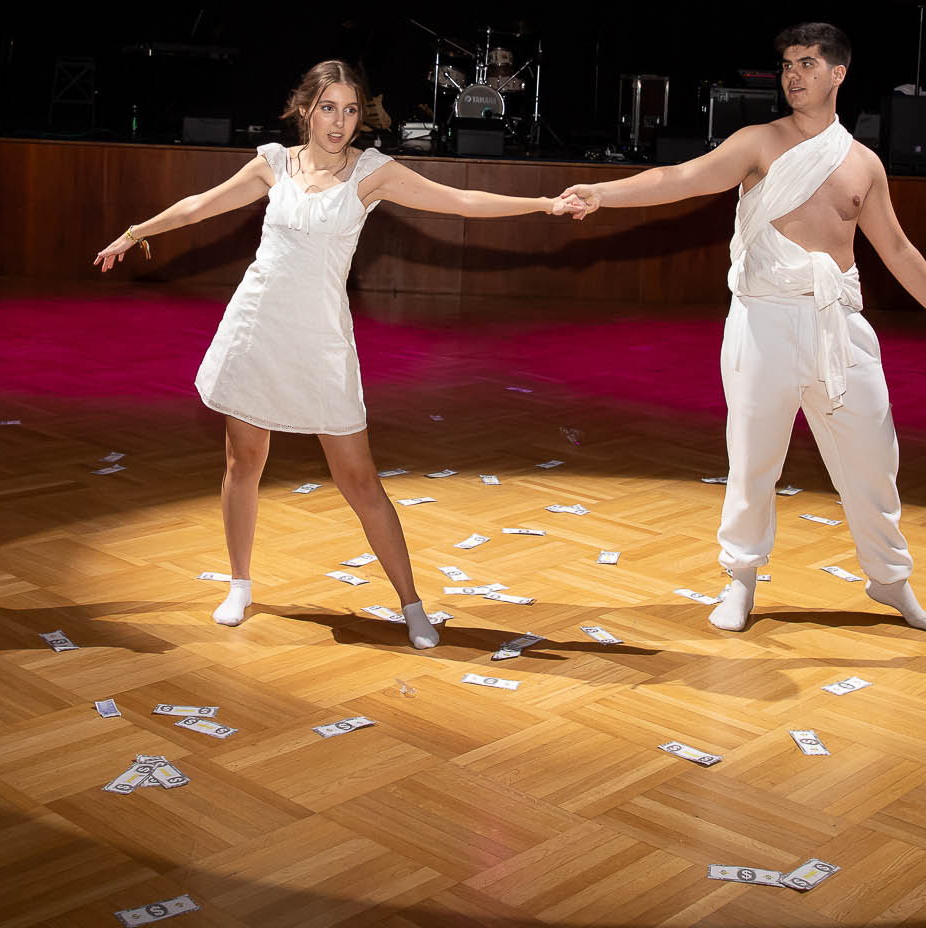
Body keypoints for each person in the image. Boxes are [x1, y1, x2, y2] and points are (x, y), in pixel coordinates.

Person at [95, 59, 585, 648]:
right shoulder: (273, 163)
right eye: (328, 108)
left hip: (322, 340)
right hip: (256, 329)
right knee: (243, 464)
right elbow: (200, 204)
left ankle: (412, 605)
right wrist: (135, 233)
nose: (339, 121)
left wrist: (543, 204)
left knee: (359, 479)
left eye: (350, 110)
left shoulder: (371, 173)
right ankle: (240, 584)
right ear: (306, 109)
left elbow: (458, 201)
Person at [558, 23, 926, 636]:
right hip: (764, 319)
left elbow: (895, 246)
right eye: (788, 64)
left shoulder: (863, 163)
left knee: (873, 457)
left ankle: (890, 578)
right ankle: (740, 577)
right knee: (754, 459)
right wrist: (602, 193)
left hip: (838, 323)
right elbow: (680, 179)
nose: (794, 75)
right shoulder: (759, 142)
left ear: (838, 74)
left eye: (808, 64)